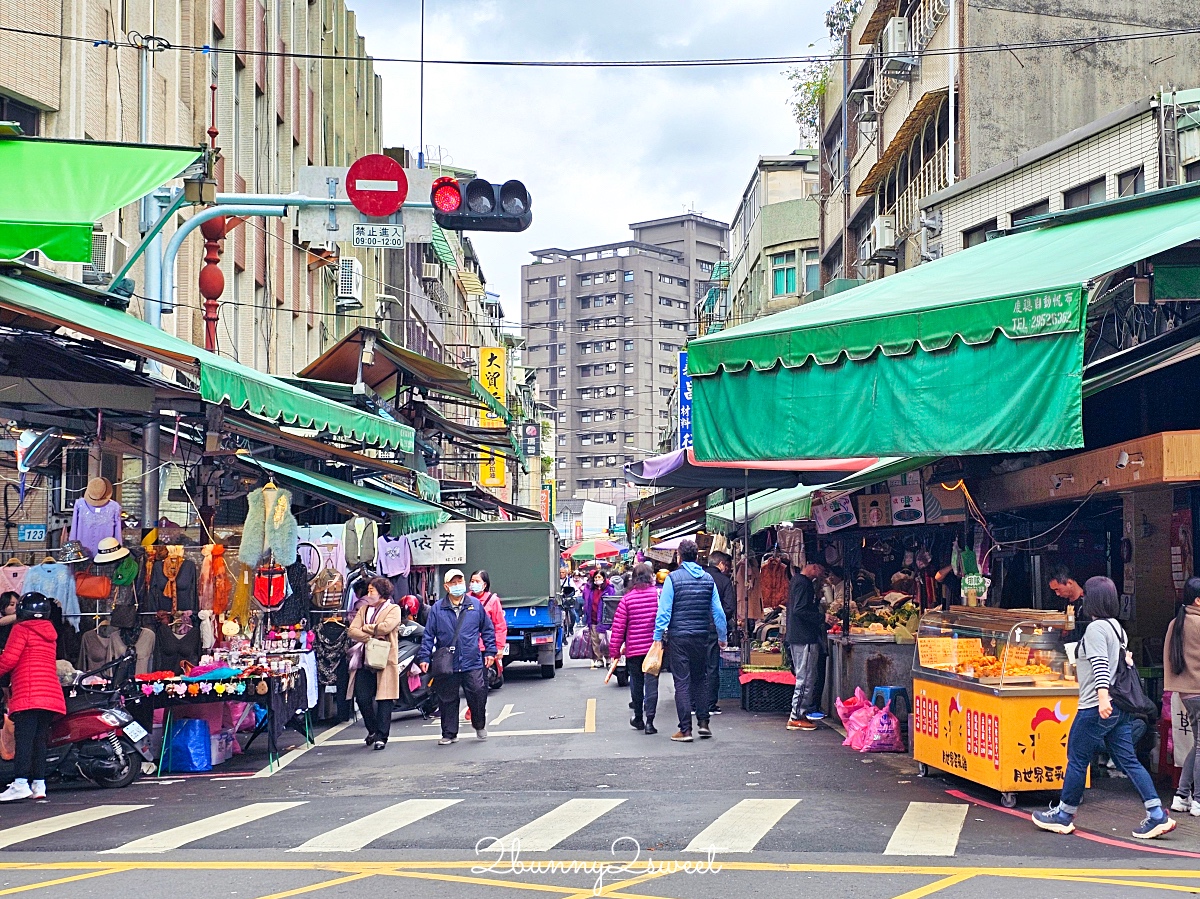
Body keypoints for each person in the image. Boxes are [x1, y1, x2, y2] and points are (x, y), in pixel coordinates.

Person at [1033, 576, 1176, 839]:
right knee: (1128, 760)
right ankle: (1156, 814)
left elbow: (1100, 665)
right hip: (1119, 707)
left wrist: (1101, 699)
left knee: (1076, 757)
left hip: (1096, 706)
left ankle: (1064, 814)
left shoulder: (1097, 629)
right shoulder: (1116, 627)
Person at [654, 540, 727, 743]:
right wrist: (722, 637)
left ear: (679, 556)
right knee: (700, 679)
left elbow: (664, 611)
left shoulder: (673, 579)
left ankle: (685, 730)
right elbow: (718, 612)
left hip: (679, 637)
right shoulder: (707, 579)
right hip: (702, 636)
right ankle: (704, 723)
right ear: (697, 557)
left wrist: (658, 636)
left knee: (682, 683)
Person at [0, 593, 67, 801]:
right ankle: (39, 784)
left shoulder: (21, 629)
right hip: (50, 693)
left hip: (29, 692)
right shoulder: (50, 632)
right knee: (40, 740)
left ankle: (20, 783)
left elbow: (9, 660)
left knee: (24, 739)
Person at [418, 569, 496, 745]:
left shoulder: (475, 606)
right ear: (446, 586)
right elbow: (429, 635)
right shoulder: (437, 608)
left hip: (472, 659)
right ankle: (449, 733)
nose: (457, 586)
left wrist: (490, 651)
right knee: (447, 698)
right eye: (453, 583)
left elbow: (487, 629)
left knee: (477, 692)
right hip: (447, 662)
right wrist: (424, 657)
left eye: (459, 582)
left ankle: (479, 724)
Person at [348, 577, 402, 751]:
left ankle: (382, 736)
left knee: (385, 699)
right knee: (362, 697)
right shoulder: (363, 610)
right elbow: (352, 630)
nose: (369, 593)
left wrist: (366, 628)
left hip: (385, 659)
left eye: (372, 590)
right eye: (368, 590)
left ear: (381, 592)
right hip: (365, 659)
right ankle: (372, 729)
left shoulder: (393, 609)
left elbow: (387, 627)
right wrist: (370, 636)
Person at [610, 563, 661, 734]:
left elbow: (618, 628)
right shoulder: (657, 596)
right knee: (652, 684)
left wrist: (615, 651)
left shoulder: (627, 599)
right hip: (653, 650)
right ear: (650, 576)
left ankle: (638, 717)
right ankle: (650, 722)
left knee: (637, 684)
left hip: (634, 651)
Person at [1167, 576, 1200, 817]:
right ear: (1198, 601)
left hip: (1186, 693)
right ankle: (1198, 800)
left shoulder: (1176, 623)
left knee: (1198, 746)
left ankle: (1181, 796)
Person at [786, 561, 829, 732]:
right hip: (804, 637)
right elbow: (800, 610)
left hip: (799, 636)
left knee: (805, 677)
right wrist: (822, 618)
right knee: (805, 678)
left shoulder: (798, 581)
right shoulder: (803, 583)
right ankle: (796, 716)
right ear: (813, 566)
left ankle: (799, 715)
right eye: (821, 570)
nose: (821, 574)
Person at [703, 552, 737, 716]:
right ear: (722, 564)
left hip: (696, 628)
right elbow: (729, 608)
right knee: (712, 666)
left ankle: (695, 703)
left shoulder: (699, 577)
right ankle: (710, 703)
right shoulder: (724, 581)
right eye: (728, 566)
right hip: (714, 629)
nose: (728, 569)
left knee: (696, 666)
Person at [469, 570, 508, 690]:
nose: (473, 584)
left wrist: (499, 648)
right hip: (467, 646)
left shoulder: (492, 600)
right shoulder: (465, 598)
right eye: (472, 581)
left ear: (484, 584)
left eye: (477, 581)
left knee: (480, 681)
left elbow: (499, 625)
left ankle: (479, 707)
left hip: (484, 648)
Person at [581, 571, 614, 670]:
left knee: (605, 640)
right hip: (593, 618)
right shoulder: (591, 589)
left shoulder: (609, 589)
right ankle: (599, 659)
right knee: (595, 640)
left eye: (599, 577)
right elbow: (586, 599)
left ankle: (608, 658)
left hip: (605, 619)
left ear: (604, 578)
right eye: (595, 578)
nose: (597, 579)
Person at [1048, 565, 1087, 641]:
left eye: (1058, 589)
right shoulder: (1062, 602)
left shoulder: (1086, 603)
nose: (1057, 594)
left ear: (1069, 583)